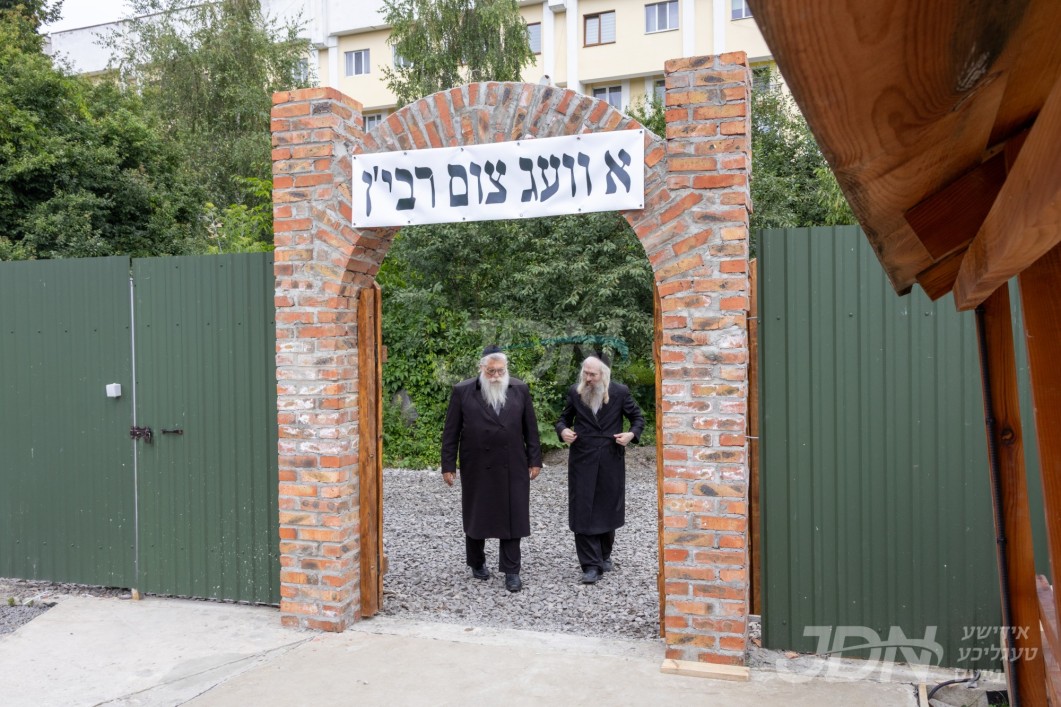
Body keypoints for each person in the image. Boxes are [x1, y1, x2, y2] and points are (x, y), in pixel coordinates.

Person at [441, 346, 543, 593]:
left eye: (500, 371)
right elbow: (451, 432)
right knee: (477, 513)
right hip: (477, 463)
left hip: (513, 463)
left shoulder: (520, 389)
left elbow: (530, 428)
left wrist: (535, 460)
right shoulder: (463, 391)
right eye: (491, 371)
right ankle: (477, 562)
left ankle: (512, 571)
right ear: (482, 369)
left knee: (513, 515)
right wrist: (448, 465)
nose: (496, 376)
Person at [555, 355, 645, 585]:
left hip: (610, 459)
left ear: (603, 374)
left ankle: (604, 555)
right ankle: (590, 565)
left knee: (607, 508)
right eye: (585, 373)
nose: (588, 378)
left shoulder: (620, 392)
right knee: (582, 509)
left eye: (592, 374)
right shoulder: (575, 392)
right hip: (582, 458)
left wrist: (631, 434)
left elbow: (637, 418)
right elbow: (563, 419)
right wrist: (563, 431)